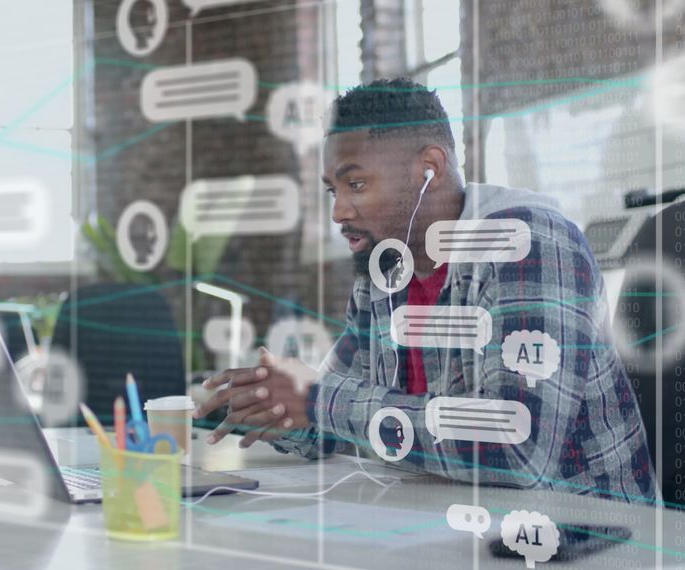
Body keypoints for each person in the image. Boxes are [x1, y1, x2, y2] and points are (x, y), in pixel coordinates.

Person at [194, 78, 656, 502]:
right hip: (453, 518)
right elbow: (338, 418)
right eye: (334, 190)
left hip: (589, 533)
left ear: (429, 169)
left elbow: (519, 450)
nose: (339, 212)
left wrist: (318, 399)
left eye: (356, 184)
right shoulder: (386, 269)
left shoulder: (528, 244)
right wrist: (273, 401)